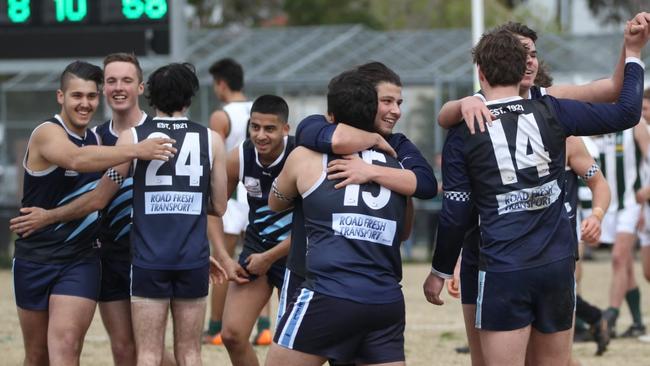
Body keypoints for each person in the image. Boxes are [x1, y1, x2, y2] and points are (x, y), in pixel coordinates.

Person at [424, 24, 644, 366]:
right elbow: (626, 110)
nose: (530, 60)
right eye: (523, 53)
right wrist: (633, 55)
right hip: (525, 259)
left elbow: (456, 212)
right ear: (515, 66)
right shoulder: (550, 111)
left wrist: (438, 269)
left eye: (534, 53)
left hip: (507, 263)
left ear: (481, 70)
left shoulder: (538, 105)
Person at [10, 60, 175, 366]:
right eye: (77, 96)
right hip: (34, 258)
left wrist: (50, 216)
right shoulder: (47, 133)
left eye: (91, 96)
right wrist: (136, 149)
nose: (84, 104)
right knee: (36, 356)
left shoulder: (98, 141)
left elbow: (100, 197)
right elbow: (75, 159)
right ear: (61, 97)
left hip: (80, 261)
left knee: (67, 347)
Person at [266, 69, 412, 366]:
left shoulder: (305, 156)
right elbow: (405, 231)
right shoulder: (396, 166)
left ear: (330, 117)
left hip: (329, 294)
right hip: (385, 301)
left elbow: (275, 203)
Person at [277, 61, 437, 327]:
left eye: (399, 102)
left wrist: (370, 171)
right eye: (387, 101)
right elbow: (334, 139)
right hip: (307, 272)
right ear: (363, 96)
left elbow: (426, 184)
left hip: (367, 280)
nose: (396, 111)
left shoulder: (397, 143)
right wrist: (373, 141)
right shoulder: (317, 126)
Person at [207, 95, 294, 365]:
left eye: (270, 129)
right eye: (255, 127)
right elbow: (213, 210)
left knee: (295, 346)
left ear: (285, 130)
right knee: (232, 334)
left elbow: (315, 224)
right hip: (258, 248)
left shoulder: (301, 155)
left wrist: (270, 257)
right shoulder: (239, 157)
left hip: (298, 252)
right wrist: (223, 256)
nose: (260, 135)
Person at [204, 58, 266, 345]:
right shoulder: (259, 110)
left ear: (222, 83)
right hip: (255, 192)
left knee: (222, 260)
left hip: (231, 193)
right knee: (257, 260)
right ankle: (264, 327)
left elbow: (215, 157)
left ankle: (215, 327)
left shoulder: (222, 115)